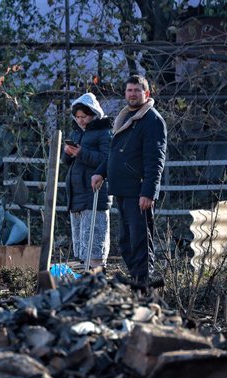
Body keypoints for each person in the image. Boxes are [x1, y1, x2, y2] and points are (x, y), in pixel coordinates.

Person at [91, 75, 167, 285]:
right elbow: (115, 155)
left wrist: (148, 192)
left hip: (138, 190)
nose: (133, 94)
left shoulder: (152, 120)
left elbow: (155, 160)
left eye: (137, 90)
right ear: (125, 93)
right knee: (126, 242)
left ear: (147, 93)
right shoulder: (125, 118)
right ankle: (137, 279)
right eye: (129, 90)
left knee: (140, 240)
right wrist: (100, 172)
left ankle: (143, 283)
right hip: (122, 189)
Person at [63, 93, 113, 269]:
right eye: (77, 117)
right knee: (82, 243)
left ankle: (97, 275)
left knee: (95, 240)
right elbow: (67, 162)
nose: (80, 120)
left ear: (93, 114)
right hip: (77, 194)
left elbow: (107, 160)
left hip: (94, 193)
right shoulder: (76, 133)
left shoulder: (104, 133)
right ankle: (85, 278)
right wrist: (68, 153)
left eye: (83, 117)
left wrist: (81, 153)